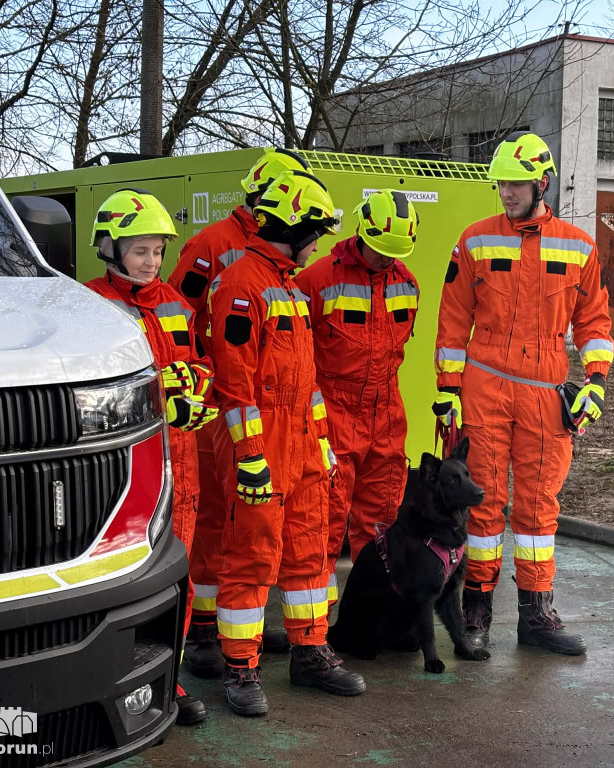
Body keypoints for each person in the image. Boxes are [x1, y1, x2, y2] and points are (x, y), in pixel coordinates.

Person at [433, 132, 614, 657]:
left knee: (539, 509)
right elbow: (452, 322)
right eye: (500, 183)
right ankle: (475, 612)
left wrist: (597, 383)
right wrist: (447, 390)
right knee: (483, 504)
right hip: (484, 386)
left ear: (542, 182)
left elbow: (595, 324)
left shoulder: (579, 246)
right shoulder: (474, 240)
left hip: (544, 393)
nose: (506, 192)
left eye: (515, 183)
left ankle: (536, 616)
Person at [209, 169, 366, 717]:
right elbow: (234, 385)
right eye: (316, 229)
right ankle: (240, 668)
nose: (320, 241)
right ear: (294, 226)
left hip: (299, 444)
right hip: (262, 446)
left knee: (308, 554)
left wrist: (320, 440)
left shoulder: (289, 286)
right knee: (252, 557)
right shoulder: (241, 285)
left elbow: (308, 380)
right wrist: (250, 457)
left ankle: (309, 652)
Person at [168, 149, 311, 676]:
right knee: (212, 520)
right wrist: (200, 374)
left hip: (259, 402)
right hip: (216, 403)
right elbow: (178, 315)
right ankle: (203, 630)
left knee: (250, 524)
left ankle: (229, 627)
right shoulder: (211, 244)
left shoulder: (278, 259)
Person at [85, 188, 219, 725]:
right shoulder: (92, 304)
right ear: (110, 248)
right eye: (140, 250)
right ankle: (114, 678)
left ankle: (170, 678)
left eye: (159, 251)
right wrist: (164, 395)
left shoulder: (175, 304)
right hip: (129, 467)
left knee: (175, 579)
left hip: (181, 464)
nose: (152, 262)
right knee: (126, 579)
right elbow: (99, 387)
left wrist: (193, 395)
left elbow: (202, 364)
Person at [295, 189, 420, 609]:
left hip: (386, 415)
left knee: (382, 521)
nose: (387, 259)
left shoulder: (407, 283)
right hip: (332, 411)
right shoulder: (315, 281)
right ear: (362, 233)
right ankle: (315, 627)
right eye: (381, 250)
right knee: (324, 523)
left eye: (395, 253)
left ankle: (372, 613)